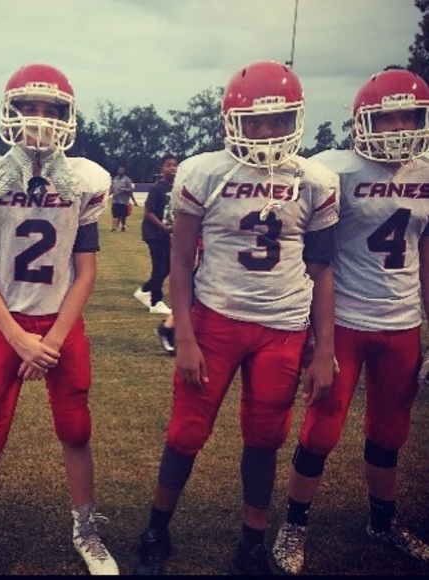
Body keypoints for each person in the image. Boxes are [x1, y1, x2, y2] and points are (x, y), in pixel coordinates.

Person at [132, 60, 340, 576]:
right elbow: (181, 259)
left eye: (277, 120)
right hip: (216, 320)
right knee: (186, 432)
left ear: (295, 119)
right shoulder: (204, 171)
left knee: (265, 438)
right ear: (232, 122)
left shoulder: (314, 179)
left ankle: (252, 543)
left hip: (283, 327)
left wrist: (325, 349)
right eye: (256, 121)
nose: (267, 131)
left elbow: (322, 270)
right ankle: (155, 530)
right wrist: (184, 334)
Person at [0, 63, 119, 576]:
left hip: (61, 325)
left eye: (50, 109)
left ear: (68, 117)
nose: (38, 118)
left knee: (76, 429)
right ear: (9, 112)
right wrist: (18, 338)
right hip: (6, 323)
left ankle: (87, 530)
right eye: (28, 107)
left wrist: (50, 341)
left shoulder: (84, 179)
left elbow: (85, 273)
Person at [272, 68, 429, 575]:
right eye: (389, 117)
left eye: (409, 116)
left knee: (391, 428)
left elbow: (425, 256)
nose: (400, 127)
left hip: (402, 320)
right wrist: (309, 332)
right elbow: (309, 252)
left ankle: (383, 522)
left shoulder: (426, 170)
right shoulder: (332, 169)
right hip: (343, 319)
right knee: (322, 428)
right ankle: (294, 524)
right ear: (363, 121)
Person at [134, 154, 178, 316]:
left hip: (166, 233)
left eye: (175, 165)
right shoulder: (157, 188)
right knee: (160, 266)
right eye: (168, 165)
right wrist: (164, 228)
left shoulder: (176, 187)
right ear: (161, 169)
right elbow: (148, 213)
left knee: (167, 266)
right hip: (154, 233)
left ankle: (145, 290)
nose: (172, 168)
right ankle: (155, 302)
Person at [110, 165, 137, 232]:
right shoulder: (115, 179)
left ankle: (123, 226)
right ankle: (114, 228)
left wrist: (124, 189)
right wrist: (107, 194)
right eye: (119, 170)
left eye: (122, 170)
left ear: (124, 171)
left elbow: (131, 189)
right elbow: (112, 189)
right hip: (115, 200)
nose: (120, 171)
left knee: (123, 215)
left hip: (123, 201)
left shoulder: (127, 179)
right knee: (115, 214)